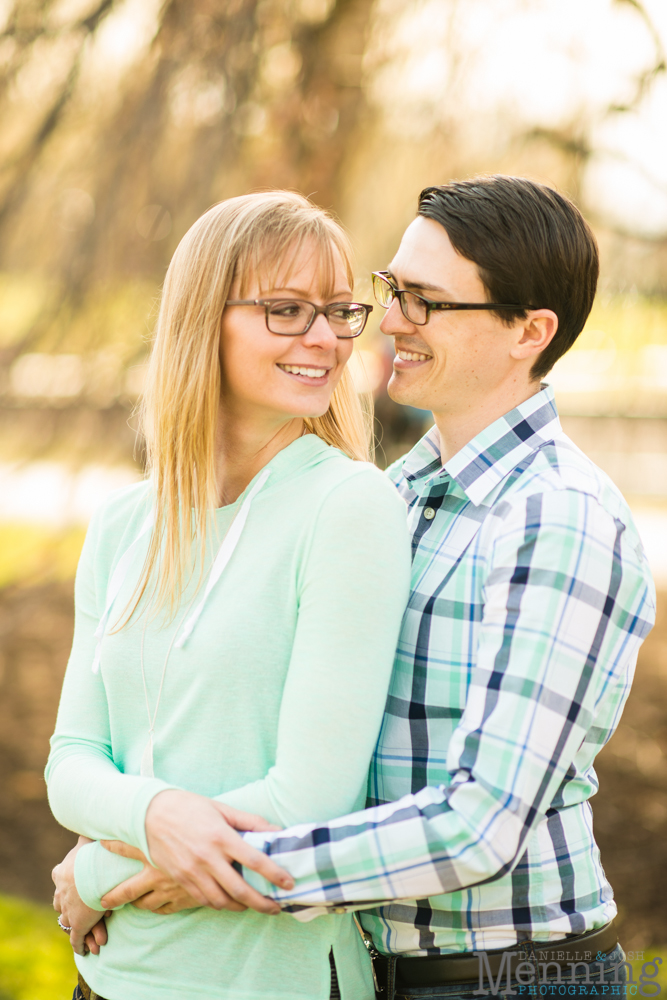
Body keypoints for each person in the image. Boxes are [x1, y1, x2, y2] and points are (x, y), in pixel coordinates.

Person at [71, 176, 656, 1000]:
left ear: (529, 331)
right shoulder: (403, 493)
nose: (389, 321)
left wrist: (171, 864)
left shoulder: (554, 517)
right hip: (374, 964)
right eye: (392, 290)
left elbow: (477, 826)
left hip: (505, 976)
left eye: (426, 301)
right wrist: (146, 831)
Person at [46, 190, 412, 1000]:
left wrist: (100, 869)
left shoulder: (349, 507)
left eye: (338, 311)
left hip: (268, 978)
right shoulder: (122, 523)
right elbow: (70, 766)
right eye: (286, 310)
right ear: (202, 319)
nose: (324, 339)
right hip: (108, 978)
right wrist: (159, 815)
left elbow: (307, 798)